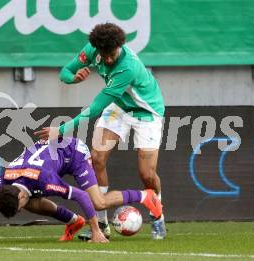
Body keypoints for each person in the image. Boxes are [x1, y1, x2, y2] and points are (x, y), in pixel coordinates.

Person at [34, 22, 167, 240]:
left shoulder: (128, 67)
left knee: (147, 174)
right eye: (103, 54)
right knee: (97, 158)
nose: (107, 59)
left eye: (111, 54)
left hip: (147, 112)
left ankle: (158, 214)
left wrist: (62, 129)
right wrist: (72, 79)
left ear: (119, 47)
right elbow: (65, 72)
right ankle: (102, 224)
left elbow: (96, 108)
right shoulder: (92, 50)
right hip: (119, 108)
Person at [0, 137, 162, 243]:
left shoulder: (45, 180)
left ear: (20, 194)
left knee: (98, 202)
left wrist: (96, 231)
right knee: (33, 203)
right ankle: (74, 222)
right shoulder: (5, 182)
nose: (21, 209)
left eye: (19, 206)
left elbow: (79, 195)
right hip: (47, 159)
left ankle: (146, 195)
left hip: (73, 153)